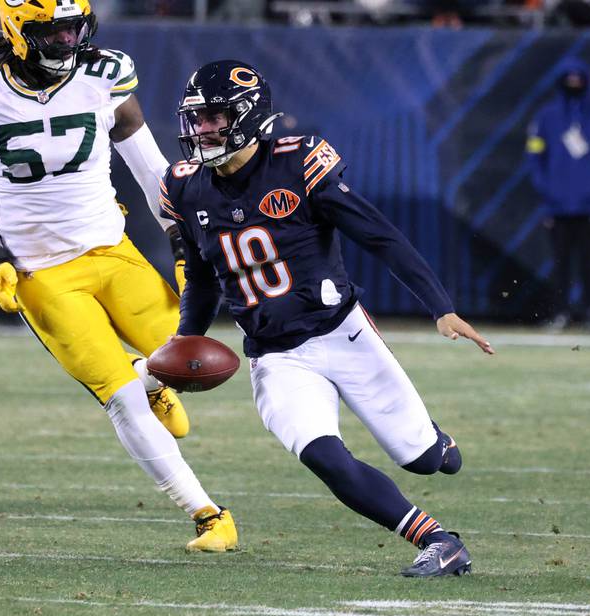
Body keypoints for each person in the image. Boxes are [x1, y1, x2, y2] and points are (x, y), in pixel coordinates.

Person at [161, 60, 495, 576]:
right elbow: (202, 278)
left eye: (215, 118)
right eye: (197, 119)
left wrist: (440, 306)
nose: (203, 130)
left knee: (426, 460)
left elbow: (378, 234)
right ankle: (439, 541)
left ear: (250, 117)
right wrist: (184, 343)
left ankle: (436, 442)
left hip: (343, 333)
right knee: (324, 457)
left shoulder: (298, 164)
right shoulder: (185, 187)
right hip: (273, 355)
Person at [0, 0, 237, 551]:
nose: (65, 42)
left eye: (73, 29)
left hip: (113, 253)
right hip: (43, 274)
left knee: (191, 359)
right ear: (16, 30)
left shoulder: (103, 75)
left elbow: (152, 170)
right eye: (50, 32)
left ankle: (150, 378)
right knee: (121, 397)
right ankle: (207, 514)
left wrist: (180, 239)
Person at [526, 58, 590, 330]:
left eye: (579, 79)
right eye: (570, 79)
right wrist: (547, 193)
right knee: (560, 264)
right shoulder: (546, 116)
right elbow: (534, 155)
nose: (574, 84)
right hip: (556, 206)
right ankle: (561, 313)